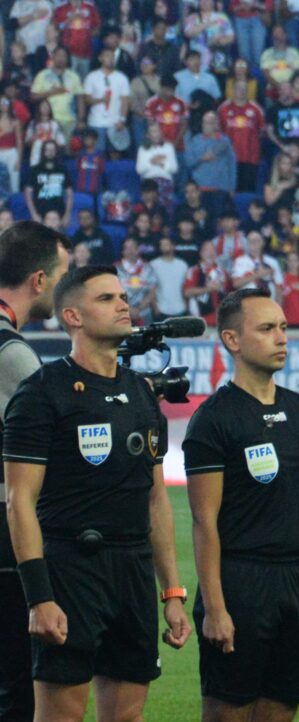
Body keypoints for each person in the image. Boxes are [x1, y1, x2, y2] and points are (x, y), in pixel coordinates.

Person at [3, 265, 191, 722]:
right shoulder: (41, 393)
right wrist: (39, 598)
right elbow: (19, 500)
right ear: (72, 316)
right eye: (106, 299)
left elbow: (156, 499)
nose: (124, 305)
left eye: (123, 296)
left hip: (132, 571)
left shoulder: (143, 394)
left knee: (125, 718)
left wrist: (172, 591)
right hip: (70, 569)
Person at [183, 287, 299, 721]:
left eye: (284, 328)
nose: (282, 338)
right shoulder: (213, 419)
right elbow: (203, 522)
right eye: (267, 328)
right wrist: (215, 608)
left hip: (296, 582)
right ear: (232, 340)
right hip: (241, 584)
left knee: (279, 712)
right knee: (228, 712)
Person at [0, 222, 70, 722]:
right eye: (64, 275)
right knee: (18, 692)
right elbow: (61, 441)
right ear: (40, 281)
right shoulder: (12, 353)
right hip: (7, 538)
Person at [184, 239, 230, 326]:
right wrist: (208, 289)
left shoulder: (223, 272)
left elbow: (230, 293)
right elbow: (187, 292)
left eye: (213, 250)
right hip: (200, 322)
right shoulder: (194, 271)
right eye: (207, 250)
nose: (210, 253)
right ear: (201, 253)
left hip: (221, 322)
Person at [149, 236, 189, 320]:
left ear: (173, 246)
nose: (165, 247)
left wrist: (186, 305)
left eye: (167, 244)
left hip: (180, 309)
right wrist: (155, 308)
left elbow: (186, 287)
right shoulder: (153, 265)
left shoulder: (182, 265)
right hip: (161, 310)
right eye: (162, 245)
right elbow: (151, 289)